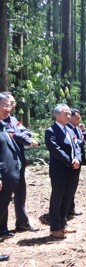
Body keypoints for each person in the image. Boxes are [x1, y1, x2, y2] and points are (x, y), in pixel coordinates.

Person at [3, 91, 39, 232]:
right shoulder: (2, 122)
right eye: (8, 103)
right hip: (6, 164)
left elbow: (24, 131)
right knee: (4, 197)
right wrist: (27, 140)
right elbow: (14, 134)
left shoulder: (13, 119)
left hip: (19, 162)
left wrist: (22, 135)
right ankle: (3, 228)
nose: (12, 105)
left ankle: (22, 223)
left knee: (21, 193)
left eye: (13, 103)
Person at [45, 104, 81, 239]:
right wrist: (70, 161)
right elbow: (55, 149)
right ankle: (54, 228)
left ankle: (63, 224)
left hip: (73, 170)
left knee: (68, 197)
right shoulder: (51, 131)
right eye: (65, 114)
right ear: (57, 115)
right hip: (60, 171)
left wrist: (77, 158)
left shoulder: (71, 130)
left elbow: (77, 147)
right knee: (58, 198)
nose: (68, 116)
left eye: (69, 114)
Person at [0, 93, 23, 237]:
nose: (8, 109)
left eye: (9, 106)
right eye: (4, 105)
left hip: (7, 180)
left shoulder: (3, 125)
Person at [66, 108, 86, 217]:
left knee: (74, 185)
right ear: (71, 117)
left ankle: (71, 208)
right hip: (70, 161)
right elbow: (75, 142)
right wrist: (81, 141)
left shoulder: (78, 129)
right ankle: (66, 209)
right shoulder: (67, 128)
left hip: (78, 160)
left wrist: (84, 131)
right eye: (77, 117)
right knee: (69, 186)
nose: (79, 119)